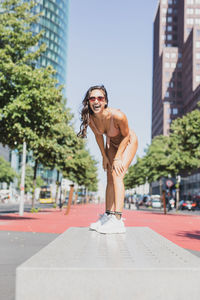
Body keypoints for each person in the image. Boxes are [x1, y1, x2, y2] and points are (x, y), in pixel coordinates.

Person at [78, 85, 138, 233]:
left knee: (117, 175)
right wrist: (104, 156)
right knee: (109, 178)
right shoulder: (91, 118)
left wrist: (118, 158)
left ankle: (118, 220)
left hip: (128, 142)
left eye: (100, 98)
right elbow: (99, 137)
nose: (96, 101)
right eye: (92, 98)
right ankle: (108, 215)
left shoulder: (117, 116)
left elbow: (126, 136)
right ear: (88, 101)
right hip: (111, 144)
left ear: (105, 101)